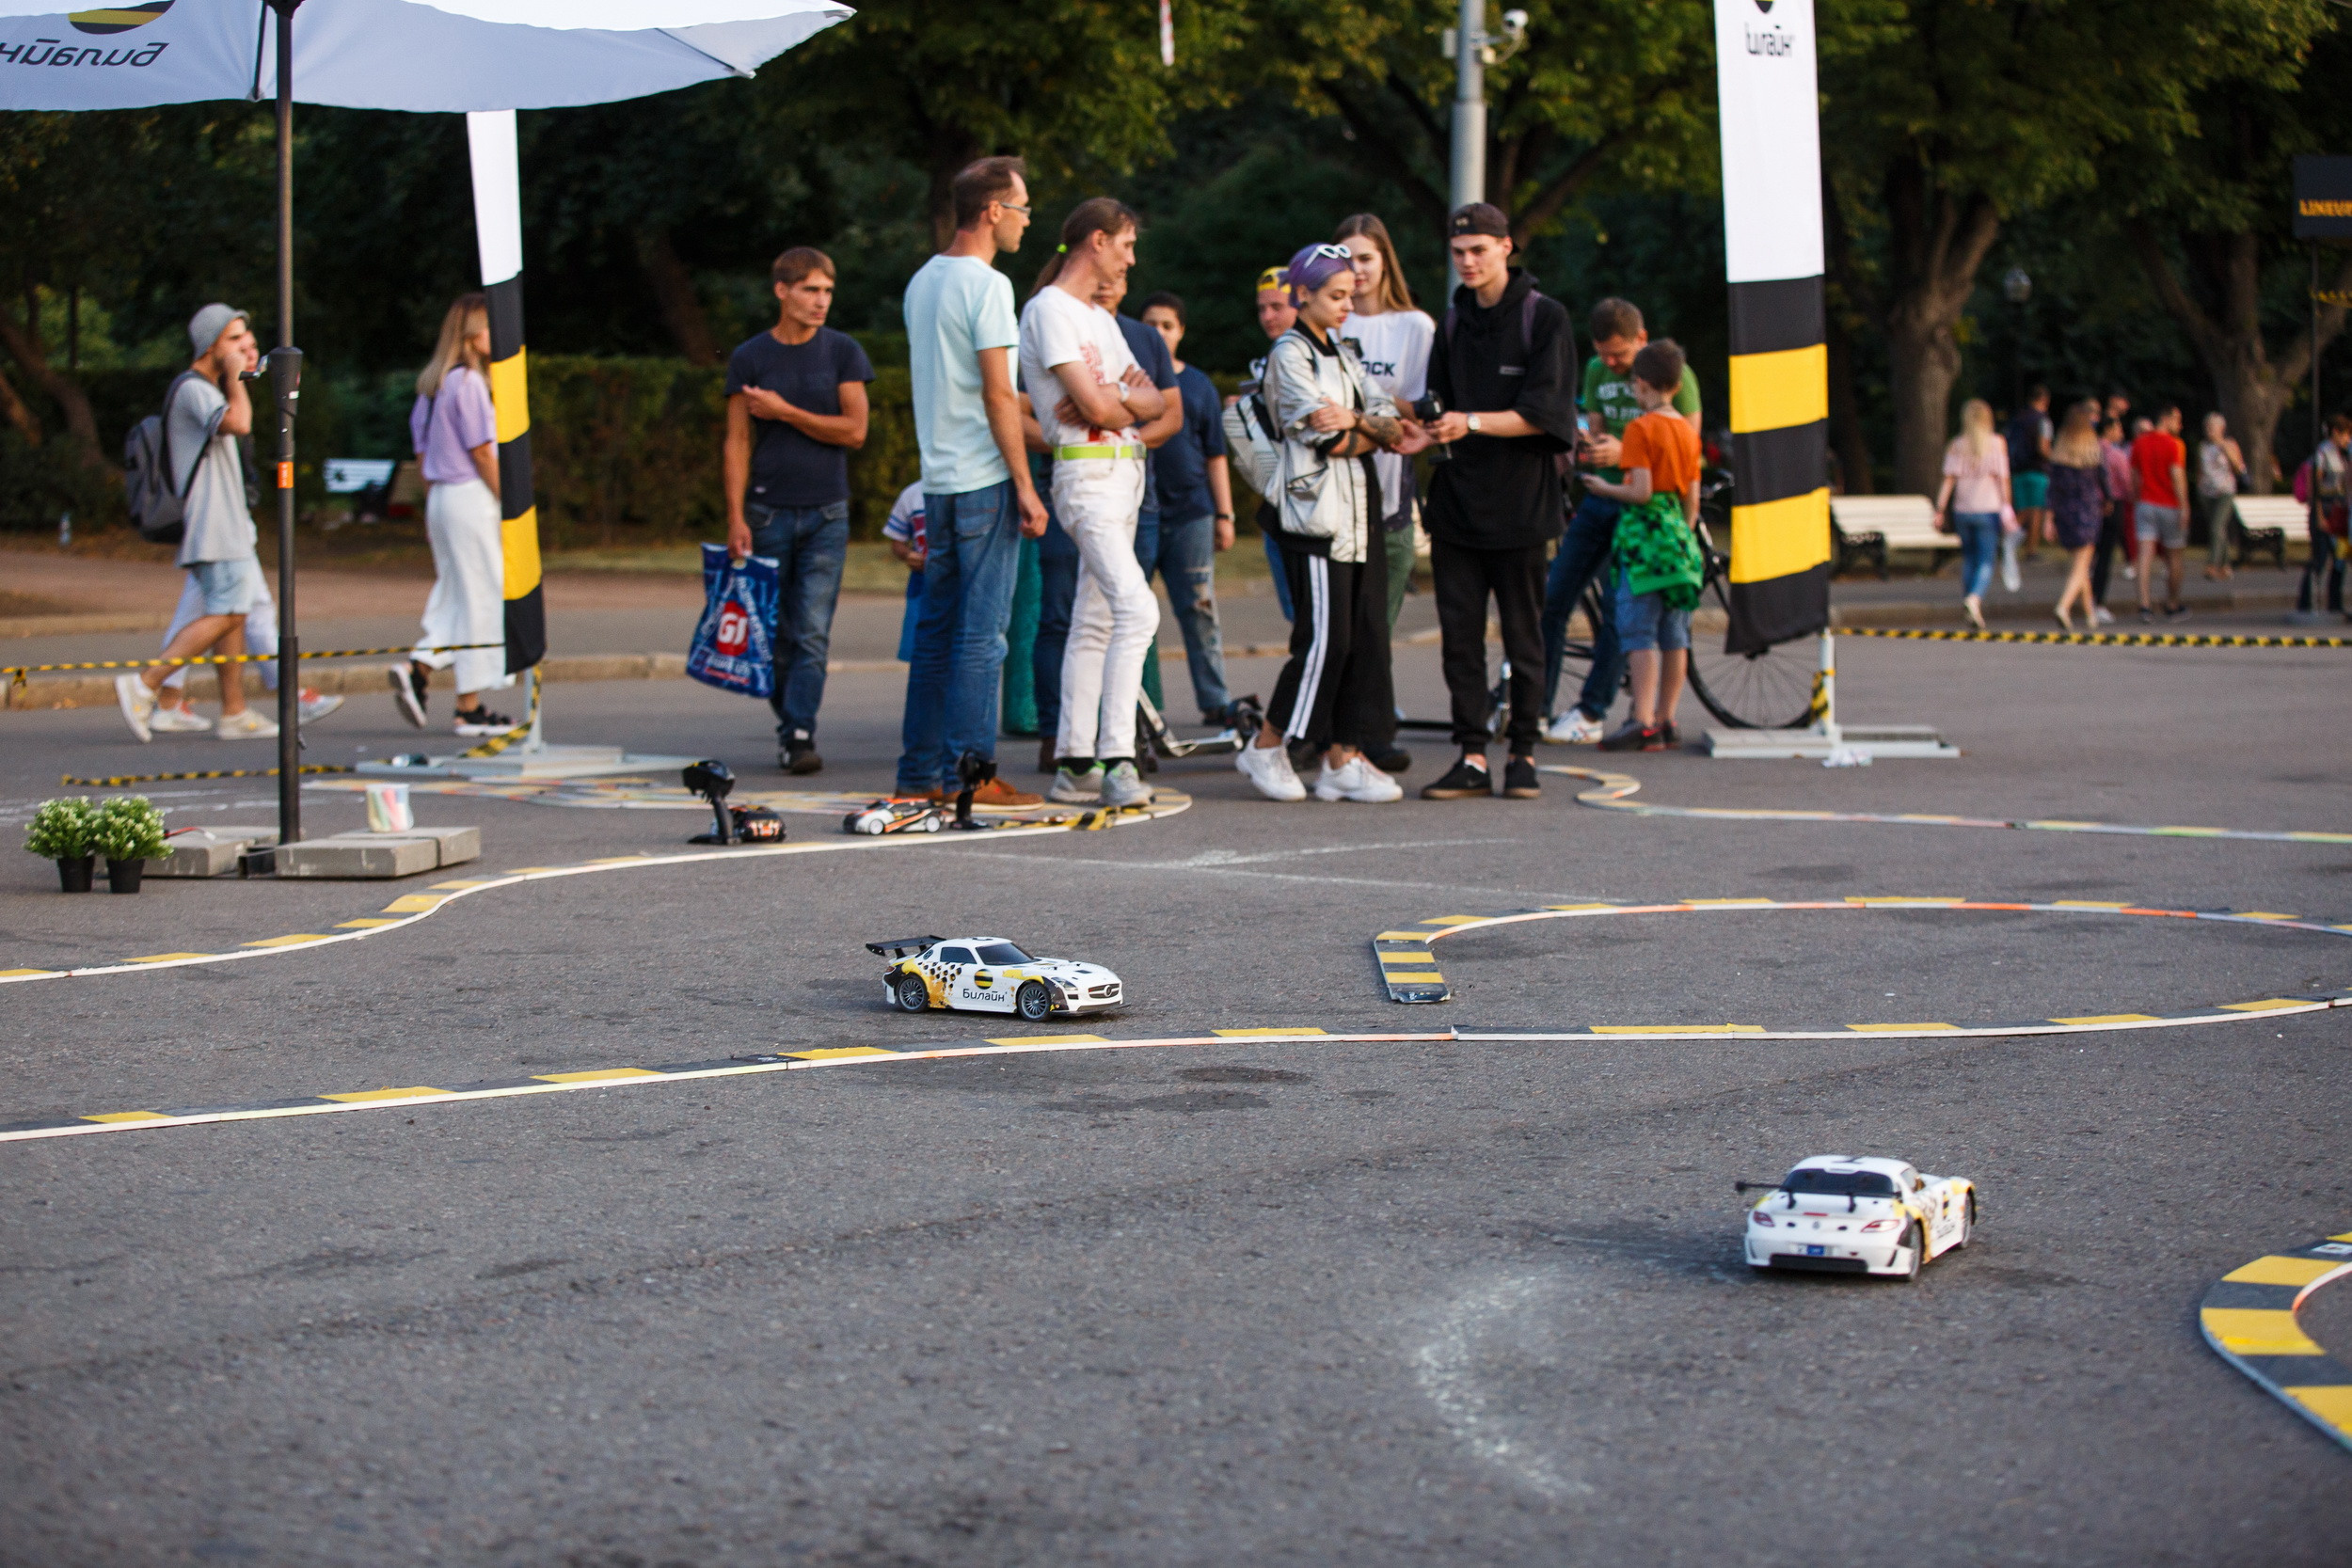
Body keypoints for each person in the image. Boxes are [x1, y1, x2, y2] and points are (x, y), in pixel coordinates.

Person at [895, 155, 1048, 807]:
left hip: (939, 479)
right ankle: (973, 776)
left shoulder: (923, 280)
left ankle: (918, 774)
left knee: (936, 634)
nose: (1025, 222)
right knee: (983, 637)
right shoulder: (989, 287)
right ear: (992, 211)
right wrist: (1025, 482)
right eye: (1021, 209)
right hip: (984, 478)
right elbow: (996, 394)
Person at [1415, 204, 1580, 802]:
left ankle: (1525, 755)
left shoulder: (1546, 319)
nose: (1468, 262)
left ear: (1506, 247)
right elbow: (1433, 404)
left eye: (1479, 250)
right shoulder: (1452, 323)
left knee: (1523, 635)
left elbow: (1545, 415)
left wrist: (1472, 421)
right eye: (1459, 252)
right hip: (1457, 504)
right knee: (1460, 638)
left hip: (1523, 504)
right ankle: (1471, 756)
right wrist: (1418, 426)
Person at [1233, 243, 1407, 804]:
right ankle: (1266, 745)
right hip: (1315, 519)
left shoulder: (1345, 352)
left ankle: (1343, 757)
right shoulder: (1291, 354)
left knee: (1357, 639)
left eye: (1351, 295)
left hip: (1359, 516)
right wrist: (1366, 430)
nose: (1347, 305)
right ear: (1301, 293)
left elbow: (1389, 424)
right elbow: (1326, 438)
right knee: (1323, 641)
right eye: (1336, 295)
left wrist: (1359, 419)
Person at [1018, 198, 1168, 810]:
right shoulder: (1049, 310)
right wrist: (1118, 398)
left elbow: (1157, 402)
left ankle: (1076, 761)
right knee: (1138, 611)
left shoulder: (1099, 319)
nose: (1131, 259)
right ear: (1099, 241)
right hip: (1085, 476)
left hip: (1124, 475)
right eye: (1127, 245)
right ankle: (1118, 757)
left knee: (1097, 619)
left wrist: (1115, 398)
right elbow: (1112, 407)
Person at [722, 245, 872, 774]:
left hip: (827, 512)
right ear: (782, 291)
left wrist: (785, 411)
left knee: (810, 629)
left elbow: (855, 431)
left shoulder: (842, 353)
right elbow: (737, 440)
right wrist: (735, 515)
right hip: (766, 512)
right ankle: (791, 722)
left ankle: (800, 731)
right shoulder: (751, 357)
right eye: (811, 290)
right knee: (771, 631)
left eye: (828, 291)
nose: (821, 301)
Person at [115, 303, 280, 743]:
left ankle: (235, 711)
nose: (241, 348)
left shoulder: (208, 388)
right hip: (213, 526)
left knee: (233, 615)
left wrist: (236, 376)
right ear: (210, 345)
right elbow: (240, 422)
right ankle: (145, 684)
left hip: (226, 527)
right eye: (232, 339)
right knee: (229, 611)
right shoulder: (194, 389)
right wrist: (233, 377)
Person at [1544, 296, 1702, 744]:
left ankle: (1613, 713)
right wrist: (1591, 448)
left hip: (1636, 513)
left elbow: (1656, 475)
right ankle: (1658, 718)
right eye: (1604, 354)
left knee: (1629, 617)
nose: (1613, 366)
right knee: (1561, 595)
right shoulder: (1601, 374)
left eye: (1622, 358)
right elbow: (1688, 472)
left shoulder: (1655, 409)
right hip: (1655, 517)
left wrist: (1617, 469)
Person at [386, 293, 518, 736]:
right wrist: (512, 503)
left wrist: (430, 509)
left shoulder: (433, 388)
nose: (494, 337)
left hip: (442, 497)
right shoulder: (471, 385)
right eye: (487, 329)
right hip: (470, 496)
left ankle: (425, 670)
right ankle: (466, 702)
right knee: (482, 595)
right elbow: (482, 451)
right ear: (470, 336)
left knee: (456, 593)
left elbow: (423, 456)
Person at [1581, 341, 1703, 751]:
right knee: (1675, 634)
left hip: (1644, 541)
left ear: (1643, 385)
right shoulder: (1687, 431)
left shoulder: (1640, 429)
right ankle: (1667, 720)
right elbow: (1692, 499)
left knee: (1638, 630)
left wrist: (1604, 487)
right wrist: (1682, 534)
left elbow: (1641, 490)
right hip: (1677, 539)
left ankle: (1642, 718)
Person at [1138, 291, 1236, 725]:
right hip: (1138, 512)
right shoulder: (1128, 386)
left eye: (1168, 325)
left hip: (1191, 514)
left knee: (1199, 608)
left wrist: (1225, 514)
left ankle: (1215, 700)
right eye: (1150, 325)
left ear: (1181, 332)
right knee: (1134, 616)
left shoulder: (1197, 385)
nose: (1158, 333)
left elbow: (1216, 455)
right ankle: (1137, 709)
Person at [1243, 264, 1298, 620]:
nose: (1267, 316)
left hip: (1311, 511)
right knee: (1297, 621)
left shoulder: (1317, 359)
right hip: (1277, 508)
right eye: (1262, 308)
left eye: (1277, 306)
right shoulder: (1265, 365)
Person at [1931, 398, 2010, 630]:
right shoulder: (1996, 443)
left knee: (1969, 558)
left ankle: (1969, 604)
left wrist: (1940, 508)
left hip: (1963, 510)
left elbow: (1948, 480)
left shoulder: (1957, 445)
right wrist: (2007, 505)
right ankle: (1974, 598)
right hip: (1988, 508)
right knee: (1986, 559)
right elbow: (2002, 479)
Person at [2046, 399, 2106, 632]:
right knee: (2083, 562)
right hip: (2088, 509)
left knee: (2080, 563)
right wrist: (2109, 500)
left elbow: (2052, 489)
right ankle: (2064, 605)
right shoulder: (2092, 448)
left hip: (2065, 511)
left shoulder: (2060, 450)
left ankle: (2091, 614)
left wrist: (2050, 517)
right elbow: (2105, 480)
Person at [2130, 404, 2190, 622]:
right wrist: (2185, 507)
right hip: (2169, 505)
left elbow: (2135, 476)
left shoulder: (2140, 442)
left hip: (2145, 503)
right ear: (2165, 419)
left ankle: (2144, 605)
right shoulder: (2174, 444)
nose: (2180, 425)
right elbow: (2177, 476)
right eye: (2177, 419)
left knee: (2145, 556)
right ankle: (2172, 603)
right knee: (2174, 555)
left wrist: (2138, 498)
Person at [2005, 385, 2052, 582]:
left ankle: (2008, 537)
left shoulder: (2017, 418)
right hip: (2036, 469)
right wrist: (2053, 459)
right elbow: (2043, 446)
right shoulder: (2043, 420)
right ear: (2044, 400)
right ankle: (2030, 550)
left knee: (2022, 509)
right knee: (2036, 510)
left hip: (2017, 469)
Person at [2089, 415, 2134, 624]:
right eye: (2118, 428)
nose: (2121, 432)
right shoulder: (2116, 455)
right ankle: (2097, 603)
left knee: (2088, 556)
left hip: (2089, 507)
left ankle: (2083, 597)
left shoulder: (2088, 451)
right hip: (2112, 505)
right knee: (2105, 558)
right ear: (2108, 430)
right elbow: (2126, 482)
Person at [2195, 410, 2247, 582]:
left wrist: (2224, 448)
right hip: (2207, 492)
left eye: (2212, 427)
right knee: (2218, 530)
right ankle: (2226, 565)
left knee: (2216, 528)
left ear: (2221, 428)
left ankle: (2212, 565)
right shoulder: (2203, 447)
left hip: (2225, 491)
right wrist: (2199, 487)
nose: (2209, 430)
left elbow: (2239, 468)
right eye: (2206, 426)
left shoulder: (2229, 444)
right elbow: (2200, 470)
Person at [881, 479, 927, 663]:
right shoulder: (912, 494)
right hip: (921, 585)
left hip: (959, 585)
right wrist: (908, 554)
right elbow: (897, 541)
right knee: (919, 655)